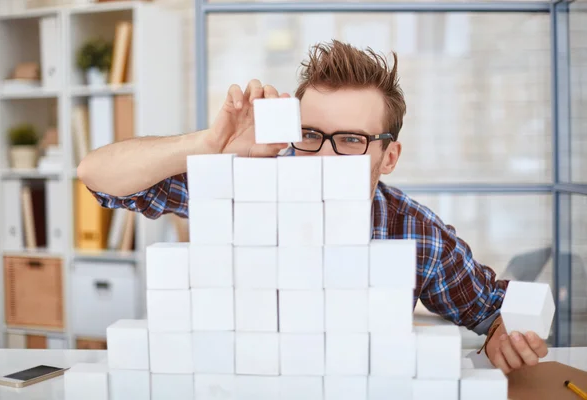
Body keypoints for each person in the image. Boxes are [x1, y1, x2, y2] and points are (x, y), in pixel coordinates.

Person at [77, 39, 548, 373]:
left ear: (390, 157)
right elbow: (98, 176)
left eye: (350, 139)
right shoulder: (245, 186)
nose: (324, 155)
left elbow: (492, 312)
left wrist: (507, 335)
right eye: (309, 135)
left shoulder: (414, 230)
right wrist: (209, 143)